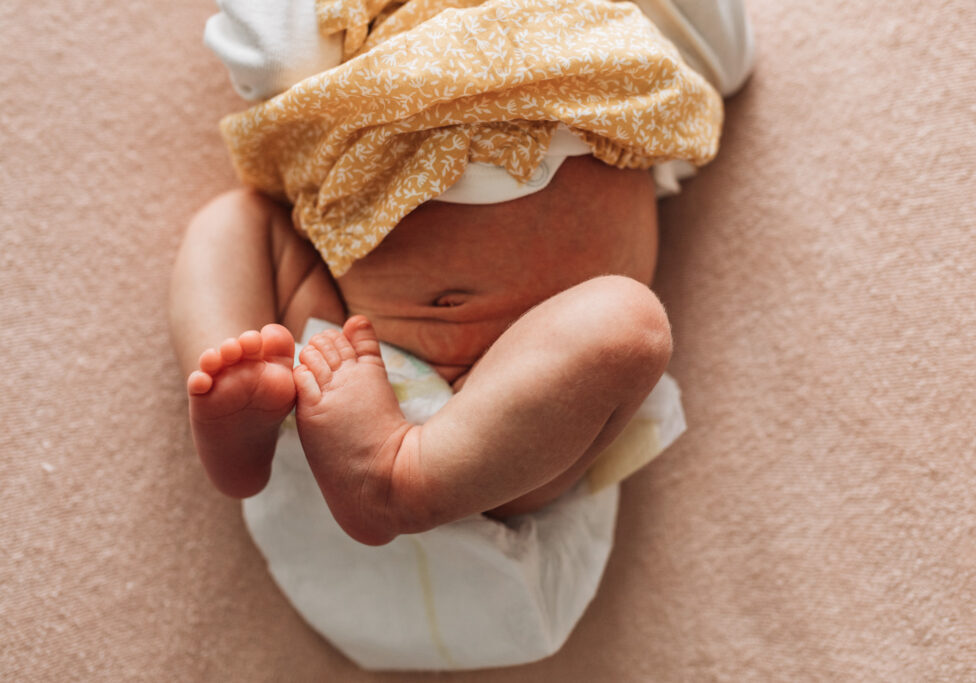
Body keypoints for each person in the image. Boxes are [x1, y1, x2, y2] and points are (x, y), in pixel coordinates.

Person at [171, 0, 752, 550]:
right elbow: (273, 59)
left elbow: (727, 57)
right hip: (340, 343)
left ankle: (400, 483)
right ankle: (246, 398)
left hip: (529, 410)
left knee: (630, 327)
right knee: (233, 223)